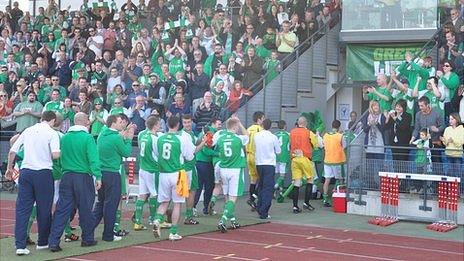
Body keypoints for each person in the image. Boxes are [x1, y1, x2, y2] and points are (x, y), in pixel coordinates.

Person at [6, 111, 61, 256]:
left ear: (41, 118)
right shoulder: (52, 133)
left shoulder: (28, 130)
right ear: (53, 120)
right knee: (44, 209)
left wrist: (9, 168)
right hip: (43, 173)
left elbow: (12, 150)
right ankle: (43, 242)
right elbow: (56, 155)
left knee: (23, 209)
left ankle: (20, 244)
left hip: (26, 171)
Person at [48, 112, 102, 252]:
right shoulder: (88, 138)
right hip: (83, 177)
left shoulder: (64, 138)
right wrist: (98, 176)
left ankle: (53, 241)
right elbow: (93, 159)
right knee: (85, 209)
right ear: (85, 122)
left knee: (62, 209)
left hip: (67, 176)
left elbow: (58, 158)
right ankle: (87, 239)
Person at [152, 116, 195, 241]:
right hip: (177, 174)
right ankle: (173, 232)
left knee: (164, 202)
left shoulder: (159, 138)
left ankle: (157, 219)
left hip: (163, 174)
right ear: (178, 125)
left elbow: (156, 153)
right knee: (177, 203)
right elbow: (190, 157)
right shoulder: (182, 139)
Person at [93, 114, 134, 242]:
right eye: (119, 122)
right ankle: (108, 235)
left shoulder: (102, 134)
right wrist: (128, 139)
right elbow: (126, 152)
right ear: (113, 123)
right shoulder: (116, 138)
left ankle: (88, 229)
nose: (121, 124)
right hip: (112, 173)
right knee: (111, 205)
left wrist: (122, 135)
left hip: (102, 173)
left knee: (100, 203)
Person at [215, 116, 249, 232]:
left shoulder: (220, 138)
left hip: (224, 168)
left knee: (227, 195)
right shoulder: (238, 138)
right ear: (235, 126)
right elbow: (247, 135)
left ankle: (233, 219)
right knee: (233, 197)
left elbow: (213, 146)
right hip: (235, 169)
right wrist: (240, 124)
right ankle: (223, 220)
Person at [133, 116, 162, 231]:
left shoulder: (143, 136)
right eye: (158, 124)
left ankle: (137, 222)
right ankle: (153, 218)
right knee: (154, 194)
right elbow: (158, 154)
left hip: (143, 168)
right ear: (154, 125)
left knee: (142, 195)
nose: (160, 125)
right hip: (152, 169)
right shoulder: (154, 138)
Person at [180, 114, 206, 225]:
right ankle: (188, 216)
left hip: (183, 167)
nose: (187, 124)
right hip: (188, 167)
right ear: (182, 123)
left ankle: (164, 215)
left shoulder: (188, 134)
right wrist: (204, 142)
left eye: (189, 122)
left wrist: (202, 136)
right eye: (185, 122)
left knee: (182, 193)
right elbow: (194, 150)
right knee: (190, 192)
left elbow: (195, 142)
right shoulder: (185, 135)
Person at [289, 116, 319, 213]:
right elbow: (316, 145)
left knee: (296, 182)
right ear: (305, 123)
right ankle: (306, 203)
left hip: (294, 158)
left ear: (298, 123)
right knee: (310, 180)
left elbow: (290, 144)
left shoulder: (292, 132)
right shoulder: (309, 132)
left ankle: (295, 206)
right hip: (305, 158)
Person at [254, 119, 281, 219]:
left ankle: (259, 206)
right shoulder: (273, 137)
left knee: (261, 185)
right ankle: (264, 211)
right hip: (269, 164)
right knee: (268, 188)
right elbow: (278, 151)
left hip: (259, 163)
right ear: (270, 126)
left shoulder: (257, 136)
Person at [194, 118, 222, 215]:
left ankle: (194, 208)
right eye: (218, 124)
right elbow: (206, 150)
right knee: (208, 186)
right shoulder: (210, 134)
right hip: (205, 163)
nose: (220, 126)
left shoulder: (204, 132)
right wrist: (218, 153)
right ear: (213, 123)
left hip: (200, 162)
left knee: (199, 186)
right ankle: (205, 208)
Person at [321, 120, 346, 207]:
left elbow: (323, 145)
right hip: (337, 161)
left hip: (327, 160)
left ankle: (325, 199)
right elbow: (345, 146)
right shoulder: (340, 136)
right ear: (339, 127)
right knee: (339, 179)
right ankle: (335, 196)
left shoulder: (326, 135)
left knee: (327, 180)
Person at [245, 111, 265, 211]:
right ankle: (253, 199)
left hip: (248, 156)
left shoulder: (248, 129)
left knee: (253, 180)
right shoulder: (260, 130)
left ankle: (252, 201)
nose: (263, 120)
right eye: (263, 118)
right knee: (262, 179)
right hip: (256, 156)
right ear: (259, 120)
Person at [274, 120, 290, 195]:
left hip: (276, 157)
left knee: (277, 174)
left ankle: (280, 190)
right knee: (282, 175)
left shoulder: (274, 135)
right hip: (284, 156)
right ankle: (275, 186)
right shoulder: (288, 135)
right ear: (285, 126)